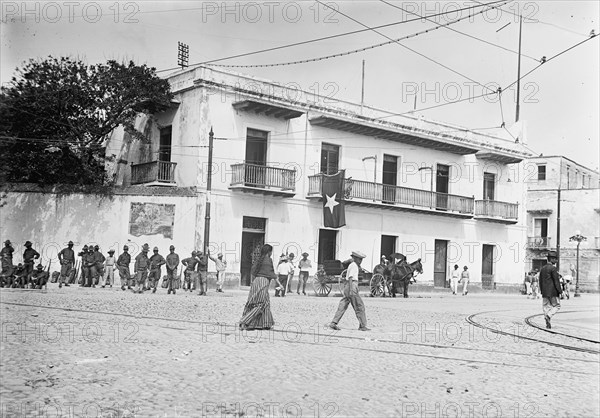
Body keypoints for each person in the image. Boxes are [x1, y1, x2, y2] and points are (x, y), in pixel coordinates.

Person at [329, 251, 370, 331]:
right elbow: (351, 277)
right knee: (359, 306)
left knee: (343, 305)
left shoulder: (352, 265)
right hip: (352, 286)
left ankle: (333, 323)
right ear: (355, 258)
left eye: (361, 259)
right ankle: (362, 326)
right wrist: (351, 290)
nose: (360, 260)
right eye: (359, 259)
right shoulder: (354, 266)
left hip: (348, 286)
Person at [239, 244, 277, 331]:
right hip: (263, 282)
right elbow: (271, 273)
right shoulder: (268, 260)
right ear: (269, 252)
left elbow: (253, 272)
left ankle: (265, 323)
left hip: (256, 282)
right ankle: (245, 321)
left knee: (262, 302)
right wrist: (279, 284)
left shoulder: (258, 260)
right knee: (261, 304)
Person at [539, 251, 562, 329]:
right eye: (555, 259)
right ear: (551, 259)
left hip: (545, 292)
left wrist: (542, 291)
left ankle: (547, 319)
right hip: (553, 292)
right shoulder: (553, 268)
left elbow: (540, 281)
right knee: (557, 306)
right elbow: (556, 281)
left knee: (546, 306)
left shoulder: (542, 268)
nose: (556, 261)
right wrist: (560, 291)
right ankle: (549, 316)